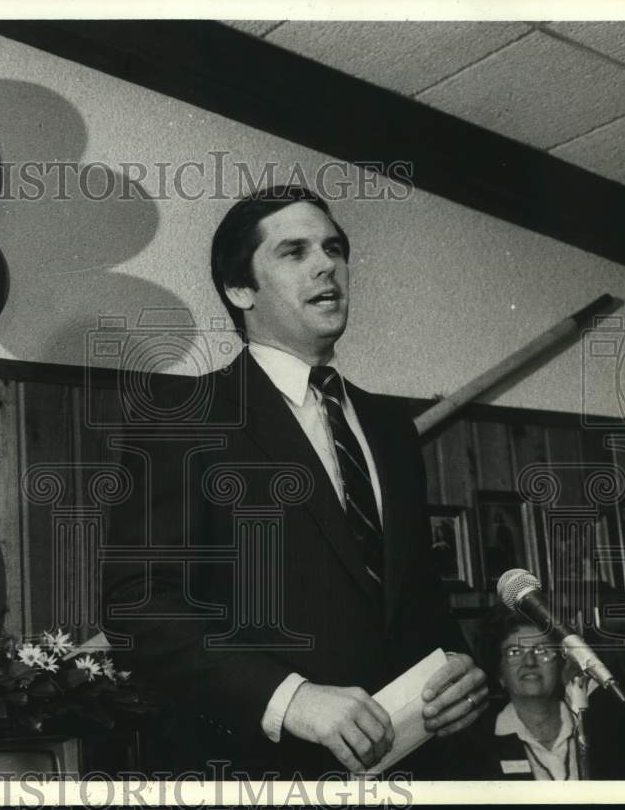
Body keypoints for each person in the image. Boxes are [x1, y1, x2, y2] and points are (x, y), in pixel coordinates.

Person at [101, 185, 488, 779]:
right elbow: (139, 606)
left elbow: (413, 593)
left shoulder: (391, 429)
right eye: (294, 252)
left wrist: (459, 664)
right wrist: (289, 698)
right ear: (240, 289)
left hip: (417, 766)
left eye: (333, 248)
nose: (326, 264)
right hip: (264, 771)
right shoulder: (183, 419)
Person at [464, 607, 625, 780]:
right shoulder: (476, 744)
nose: (529, 662)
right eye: (514, 652)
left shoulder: (599, 728)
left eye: (542, 650)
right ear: (500, 673)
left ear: (562, 663)